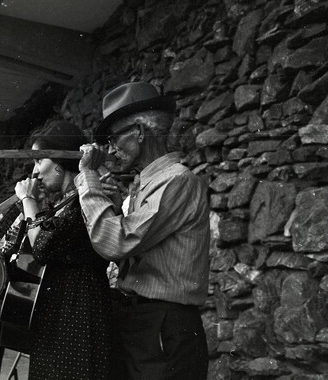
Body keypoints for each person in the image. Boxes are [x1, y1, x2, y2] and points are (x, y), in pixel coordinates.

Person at [76, 81, 210, 380]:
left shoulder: (177, 180)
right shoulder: (144, 184)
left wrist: (87, 177)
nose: (111, 149)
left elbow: (117, 241)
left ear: (138, 132)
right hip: (142, 320)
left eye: (114, 138)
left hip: (164, 324)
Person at [13, 120, 112, 380]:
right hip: (61, 311)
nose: (35, 173)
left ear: (58, 161)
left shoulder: (84, 199)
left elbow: (42, 246)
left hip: (78, 310)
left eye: (39, 161)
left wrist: (28, 200)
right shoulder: (66, 202)